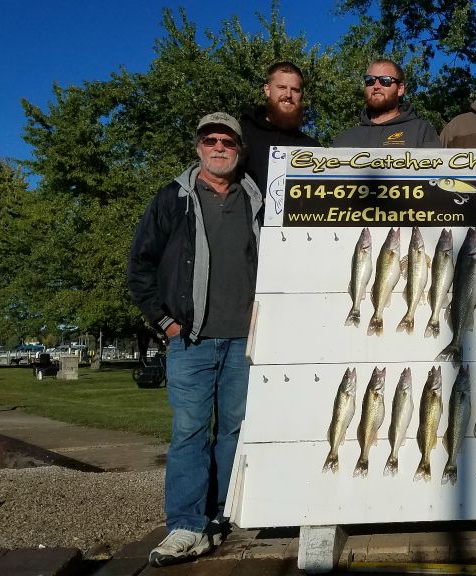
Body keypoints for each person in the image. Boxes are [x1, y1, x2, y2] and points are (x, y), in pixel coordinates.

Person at [127, 112, 262, 567]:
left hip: (245, 340)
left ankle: (224, 516)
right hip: (191, 340)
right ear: (198, 147)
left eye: (228, 140)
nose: (219, 147)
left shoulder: (256, 198)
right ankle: (184, 523)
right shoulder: (172, 199)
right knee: (188, 431)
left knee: (235, 431)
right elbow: (140, 267)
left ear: (239, 149)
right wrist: (165, 322)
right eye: (211, 140)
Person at [240, 61, 320, 196]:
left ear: (302, 95)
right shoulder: (241, 134)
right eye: (282, 87)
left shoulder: (312, 148)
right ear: (267, 89)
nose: (288, 95)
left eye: (295, 90)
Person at [332, 58, 440, 147]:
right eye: (370, 80)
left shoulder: (421, 131)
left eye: (385, 81)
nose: (376, 86)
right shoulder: (344, 139)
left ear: (400, 89)